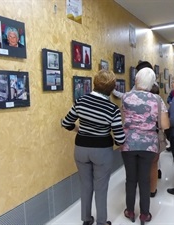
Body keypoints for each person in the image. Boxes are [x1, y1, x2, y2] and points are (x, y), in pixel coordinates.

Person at [61, 70, 125, 225]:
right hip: (102, 151)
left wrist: (80, 130)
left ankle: (86, 219)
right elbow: (120, 139)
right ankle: (102, 222)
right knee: (101, 188)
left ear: (95, 84)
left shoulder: (80, 101)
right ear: (111, 88)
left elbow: (66, 123)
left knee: (85, 185)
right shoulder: (112, 109)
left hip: (81, 149)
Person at [121, 67, 170, 224]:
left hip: (128, 143)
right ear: (152, 82)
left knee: (130, 179)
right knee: (145, 179)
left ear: (136, 80)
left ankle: (129, 211)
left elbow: (122, 120)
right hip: (149, 144)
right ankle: (144, 214)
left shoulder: (126, 97)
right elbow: (165, 125)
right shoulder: (156, 99)